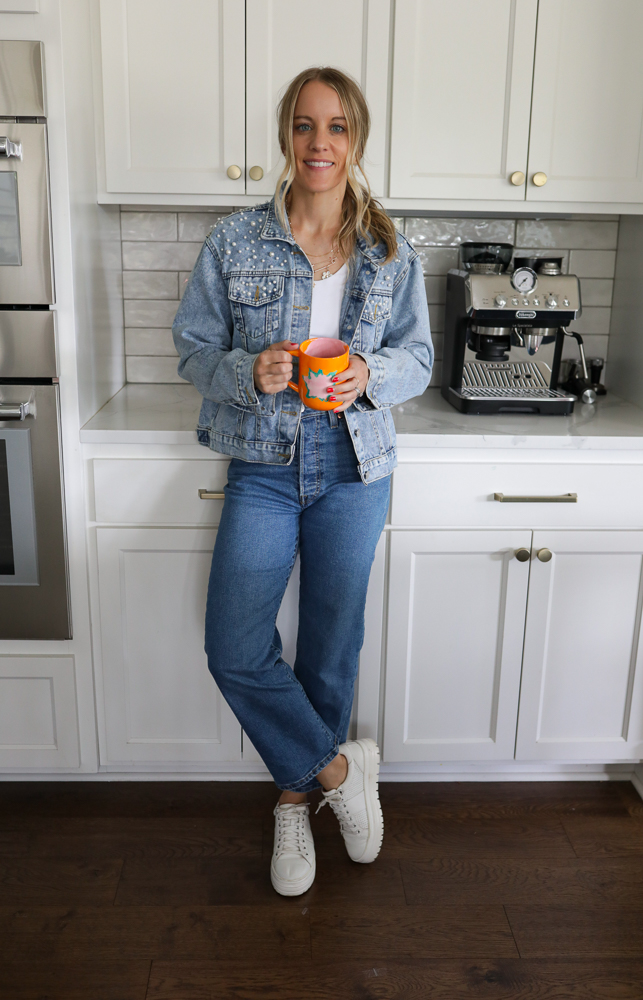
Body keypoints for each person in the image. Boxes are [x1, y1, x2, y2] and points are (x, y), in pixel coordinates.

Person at [173, 66, 433, 896]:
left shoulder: (390, 250)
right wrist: (250, 369)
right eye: (302, 126)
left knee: (330, 647)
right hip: (263, 462)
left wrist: (371, 372)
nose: (319, 143)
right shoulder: (235, 240)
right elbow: (191, 351)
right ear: (284, 137)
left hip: (355, 466)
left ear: (355, 140)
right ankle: (334, 775)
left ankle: (292, 801)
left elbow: (419, 359)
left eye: (336, 128)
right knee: (234, 645)